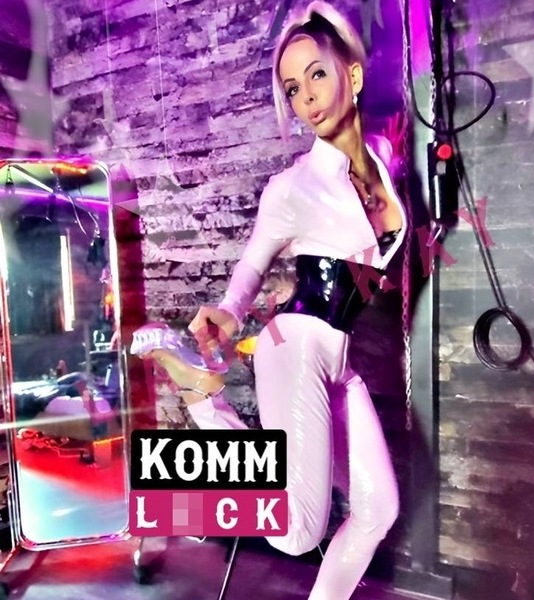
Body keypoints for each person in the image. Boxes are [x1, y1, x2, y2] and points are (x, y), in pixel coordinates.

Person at [132, 2, 408, 598]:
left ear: (352, 75)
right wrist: (230, 313)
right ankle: (203, 395)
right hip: (295, 348)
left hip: (339, 361)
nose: (307, 98)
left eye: (317, 75)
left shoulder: (383, 162)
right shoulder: (291, 187)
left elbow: (379, 247)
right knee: (297, 531)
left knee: (377, 509)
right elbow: (252, 267)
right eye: (293, 88)